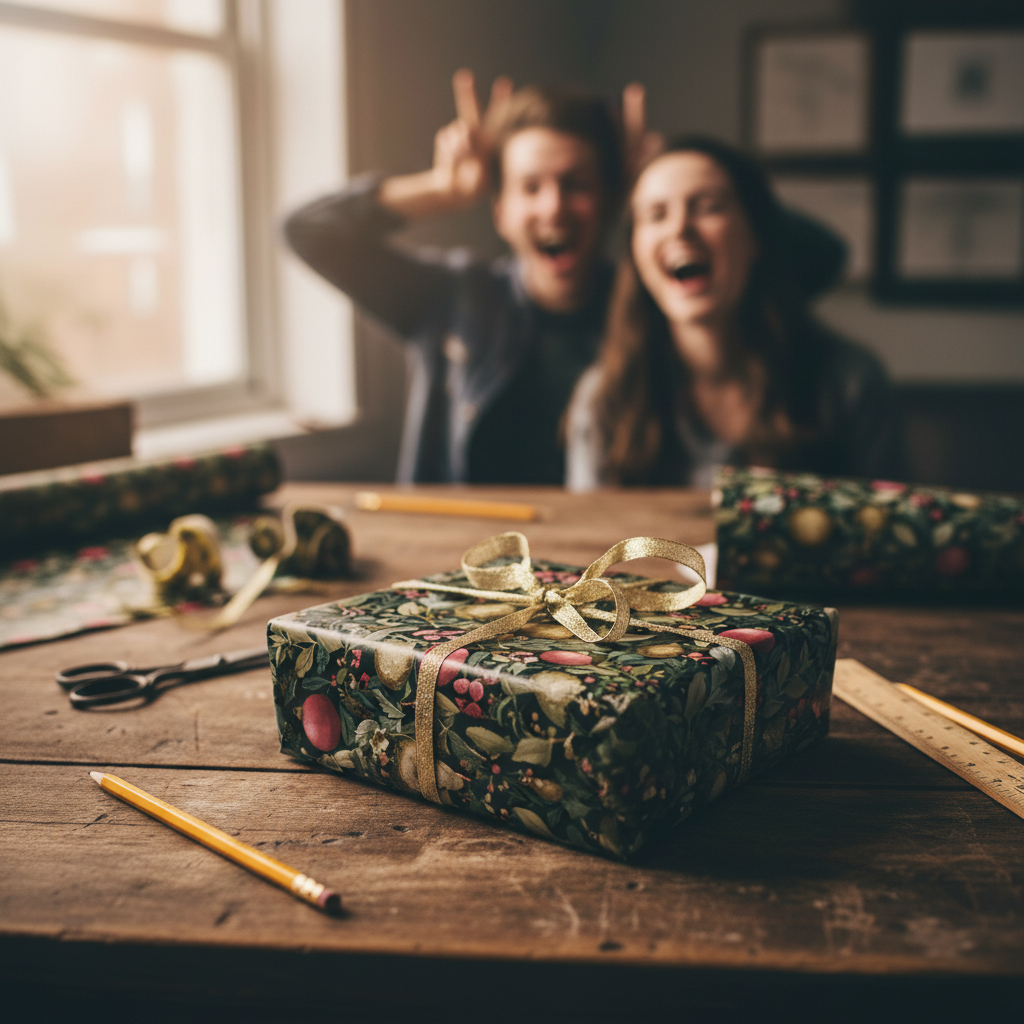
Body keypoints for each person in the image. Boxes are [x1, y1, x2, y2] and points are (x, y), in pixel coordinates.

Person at [286, 71, 659, 484]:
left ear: (609, 198)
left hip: (609, 546)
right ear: (500, 211)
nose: (554, 208)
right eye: (531, 187)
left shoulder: (655, 309)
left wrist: (650, 198)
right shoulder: (454, 297)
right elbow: (306, 232)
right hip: (466, 546)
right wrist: (444, 190)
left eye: (576, 184)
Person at [565, 137, 905, 490]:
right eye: (656, 214)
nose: (679, 228)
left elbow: (891, 537)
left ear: (756, 236)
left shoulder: (850, 384)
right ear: (635, 253)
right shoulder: (604, 397)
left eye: (708, 207)